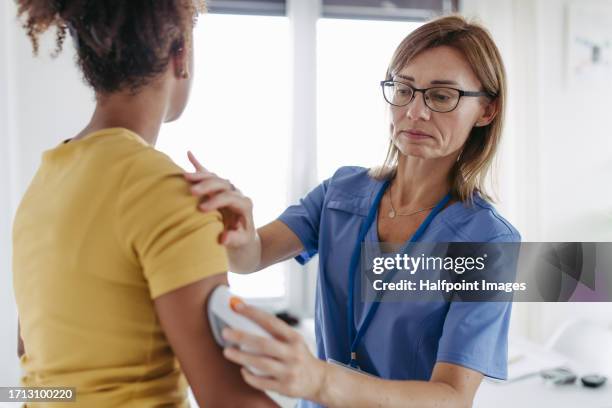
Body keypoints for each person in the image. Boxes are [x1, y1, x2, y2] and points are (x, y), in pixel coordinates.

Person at [185, 15, 520, 408]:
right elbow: (252, 257)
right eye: (404, 89)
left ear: (486, 111)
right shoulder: (340, 194)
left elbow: (452, 397)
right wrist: (238, 233)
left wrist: (321, 380)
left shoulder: (488, 240)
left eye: (442, 97)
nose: (415, 112)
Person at [12, 1, 276, 407]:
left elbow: (29, 349)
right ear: (181, 54)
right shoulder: (169, 193)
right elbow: (230, 400)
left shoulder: (45, 184)